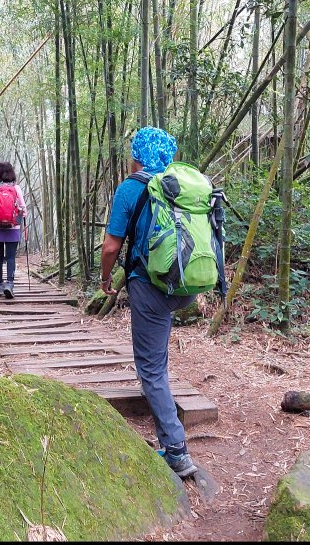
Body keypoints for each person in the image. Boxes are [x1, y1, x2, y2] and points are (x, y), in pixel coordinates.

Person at [98, 126, 199, 478]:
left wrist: (105, 277)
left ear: (138, 156)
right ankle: (169, 439)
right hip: (186, 285)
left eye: (132, 154)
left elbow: (111, 246)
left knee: (151, 369)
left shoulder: (131, 188)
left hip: (150, 285)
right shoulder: (182, 186)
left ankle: (176, 450)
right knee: (157, 358)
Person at [0, 161, 27, 298]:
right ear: (11, 173)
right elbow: (23, 210)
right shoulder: (16, 189)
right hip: (13, 228)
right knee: (10, 257)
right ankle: (9, 284)